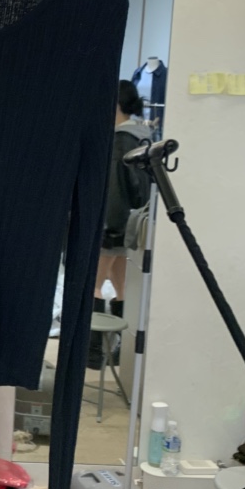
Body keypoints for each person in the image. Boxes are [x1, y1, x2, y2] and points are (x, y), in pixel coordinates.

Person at [88, 80, 151, 369]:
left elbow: (114, 191)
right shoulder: (142, 136)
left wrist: (108, 230)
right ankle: (119, 352)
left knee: (94, 285)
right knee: (121, 285)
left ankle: (93, 353)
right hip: (132, 223)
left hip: (113, 225)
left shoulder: (120, 140)